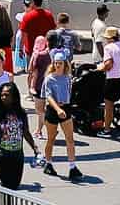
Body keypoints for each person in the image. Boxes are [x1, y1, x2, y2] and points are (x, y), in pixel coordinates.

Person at [0, 81, 39, 189]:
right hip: (1, 154)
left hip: (17, 154)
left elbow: (26, 132)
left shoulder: (21, 113)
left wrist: (35, 149)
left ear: (14, 97)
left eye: (6, 95)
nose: (3, 97)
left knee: (15, 185)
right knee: (7, 185)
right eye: (2, 94)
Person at [39, 50, 82, 180]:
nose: (58, 65)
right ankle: (48, 163)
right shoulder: (49, 78)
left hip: (66, 108)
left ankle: (72, 166)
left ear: (65, 64)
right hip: (53, 110)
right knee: (51, 138)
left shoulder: (67, 77)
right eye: (56, 63)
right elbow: (49, 97)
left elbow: (69, 93)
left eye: (60, 63)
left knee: (70, 138)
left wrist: (65, 107)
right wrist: (58, 109)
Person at [16, 0, 54, 80]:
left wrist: (21, 49)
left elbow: (23, 34)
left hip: (31, 50)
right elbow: (53, 32)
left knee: (32, 73)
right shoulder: (49, 15)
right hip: (46, 50)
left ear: (32, 2)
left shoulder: (27, 17)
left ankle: (31, 90)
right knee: (45, 73)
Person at [99, 25, 120, 133]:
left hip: (112, 78)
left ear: (110, 38)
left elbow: (108, 64)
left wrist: (100, 69)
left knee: (108, 105)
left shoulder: (108, 48)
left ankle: (106, 128)